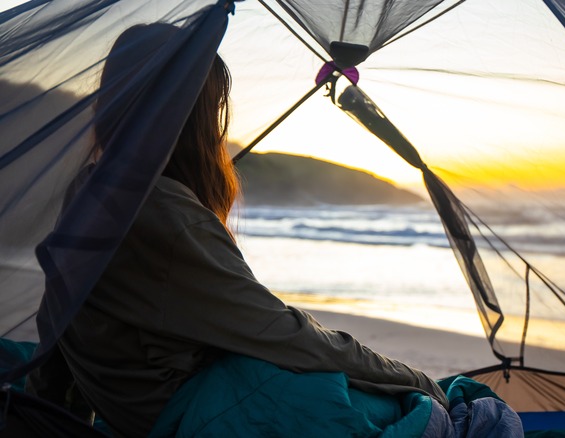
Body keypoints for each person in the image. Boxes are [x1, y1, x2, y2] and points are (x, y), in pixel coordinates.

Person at [34, 24, 448, 437]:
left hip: (155, 412)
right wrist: (414, 377)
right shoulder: (160, 212)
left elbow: (54, 333)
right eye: (213, 110)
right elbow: (285, 335)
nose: (219, 132)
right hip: (208, 412)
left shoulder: (89, 192)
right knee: (435, 410)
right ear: (189, 116)